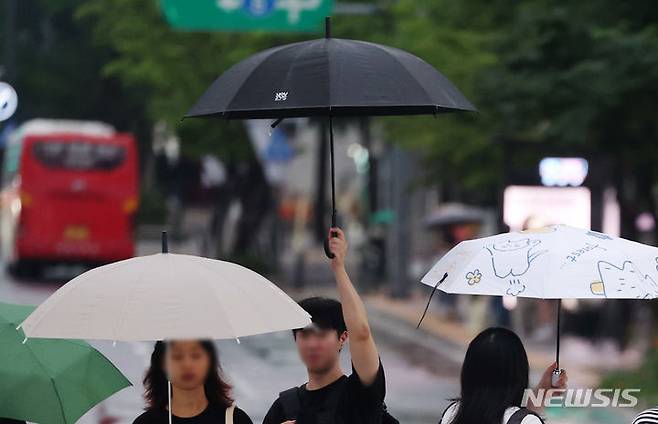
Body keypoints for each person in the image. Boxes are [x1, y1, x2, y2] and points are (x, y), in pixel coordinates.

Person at [263, 227, 389, 424]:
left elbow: (362, 332)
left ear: (342, 337)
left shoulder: (359, 395)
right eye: (304, 335)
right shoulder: (283, 408)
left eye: (321, 335)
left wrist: (339, 268)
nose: (312, 344)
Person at [440, 327, 568, 424]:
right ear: (519, 373)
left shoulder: (451, 413)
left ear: (468, 372)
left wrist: (539, 396)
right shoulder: (526, 421)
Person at [133, 340, 252, 424]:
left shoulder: (236, 419)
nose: (187, 365)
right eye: (177, 356)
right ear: (162, 365)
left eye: (195, 355)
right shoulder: (146, 422)